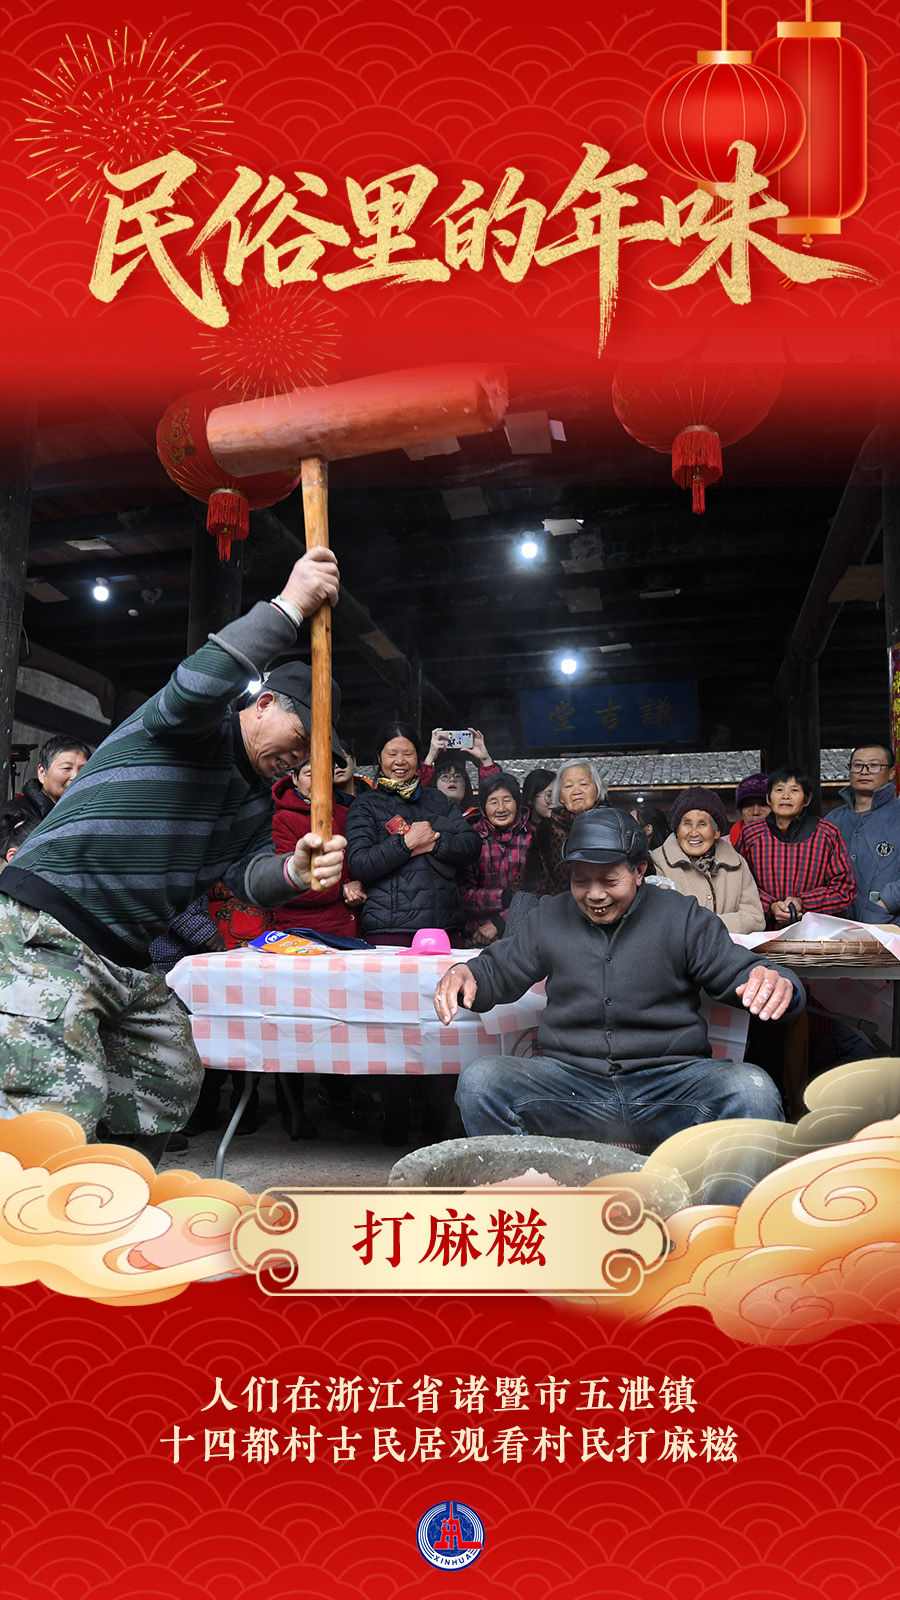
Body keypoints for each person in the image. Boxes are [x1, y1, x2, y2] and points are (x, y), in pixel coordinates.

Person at [0, 548, 346, 1167]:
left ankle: (109, 1196)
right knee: (52, 1106)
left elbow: (248, 878)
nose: (299, 759)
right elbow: (197, 682)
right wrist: (290, 606)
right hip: (47, 930)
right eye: (301, 739)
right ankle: (38, 1213)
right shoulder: (193, 726)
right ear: (264, 704)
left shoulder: (253, 803)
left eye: (312, 754)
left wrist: (295, 870)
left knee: (168, 1077)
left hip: (129, 956)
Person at [434, 809, 797, 1206]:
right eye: (580, 880)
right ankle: (533, 1207)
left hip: (671, 1088)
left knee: (752, 1090)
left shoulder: (681, 917)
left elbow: (740, 970)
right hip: (572, 1087)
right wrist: (467, 973)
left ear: (639, 870)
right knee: (481, 1081)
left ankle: (710, 1224)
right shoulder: (549, 917)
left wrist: (779, 983)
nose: (595, 894)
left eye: (609, 880)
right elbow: (499, 968)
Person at [345, 721, 481, 945]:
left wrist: (434, 843)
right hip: (390, 928)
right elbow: (359, 863)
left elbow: (471, 844)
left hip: (444, 926)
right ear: (379, 758)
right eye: (392, 754)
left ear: (418, 758)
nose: (400, 761)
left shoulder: (438, 799)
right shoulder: (365, 805)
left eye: (407, 754)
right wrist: (406, 843)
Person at [738, 766, 855, 928]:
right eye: (779, 790)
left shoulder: (827, 834)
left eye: (794, 790)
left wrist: (803, 903)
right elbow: (738, 884)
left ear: (807, 799)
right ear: (768, 798)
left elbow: (844, 889)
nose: (785, 796)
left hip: (813, 933)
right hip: (761, 931)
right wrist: (770, 905)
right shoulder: (750, 835)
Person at [271, 759, 366, 938]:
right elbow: (283, 883)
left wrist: (360, 888)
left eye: (323, 774)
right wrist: (341, 890)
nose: (317, 781)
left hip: (350, 930)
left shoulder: (347, 813)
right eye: (309, 775)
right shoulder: (281, 820)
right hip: (304, 933)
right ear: (294, 777)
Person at [651, 786, 765, 934]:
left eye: (702, 824)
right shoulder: (657, 863)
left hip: (727, 949)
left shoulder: (737, 863)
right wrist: (723, 924)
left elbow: (755, 919)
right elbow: (662, 921)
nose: (693, 833)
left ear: (717, 832)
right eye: (687, 823)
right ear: (677, 829)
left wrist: (704, 925)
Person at [827, 743, 900, 923]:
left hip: (889, 925)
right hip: (838, 928)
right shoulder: (832, 820)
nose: (864, 772)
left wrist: (887, 902)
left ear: (891, 772)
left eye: (874, 765)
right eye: (858, 765)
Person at [459, 771, 534, 945]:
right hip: (475, 935)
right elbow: (463, 894)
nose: (501, 809)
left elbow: (540, 893)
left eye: (507, 800)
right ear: (483, 807)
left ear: (517, 802)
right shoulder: (471, 838)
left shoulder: (534, 837)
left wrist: (500, 922)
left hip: (524, 934)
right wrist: (504, 897)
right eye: (493, 802)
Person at [516, 757, 608, 896]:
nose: (576, 791)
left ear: (597, 788)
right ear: (560, 796)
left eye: (583, 784)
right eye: (568, 786)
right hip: (562, 906)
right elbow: (528, 886)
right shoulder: (545, 831)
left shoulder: (616, 823)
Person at [1, 735, 91, 827]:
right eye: (66, 768)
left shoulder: (89, 815)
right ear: (42, 772)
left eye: (83, 770)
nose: (75, 776)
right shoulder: (12, 817)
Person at [421, 727, 498, 788]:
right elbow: (416, 789)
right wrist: (429, 758)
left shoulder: (478, 804)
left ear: (466, 784)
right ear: (435, 783)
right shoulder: (424, 803)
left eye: (458, 776)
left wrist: (486, 760)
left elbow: (494, 789)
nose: (452, 780)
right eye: (445, 776)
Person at [728, 773, 770, 849]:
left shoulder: (789, 845)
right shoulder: (724, 846)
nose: (755, 812)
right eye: (748, 805)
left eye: (763, 805)